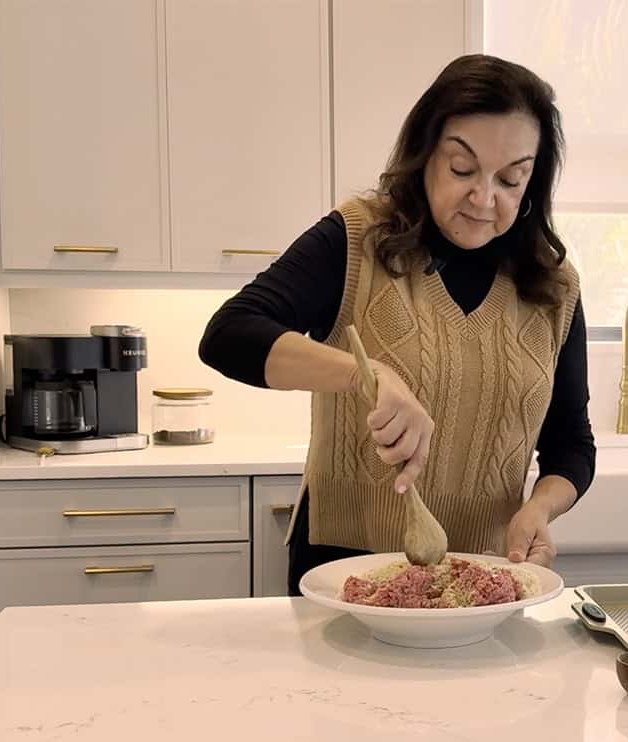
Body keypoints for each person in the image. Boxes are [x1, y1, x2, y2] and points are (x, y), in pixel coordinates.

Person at [199, 54, 595, 595]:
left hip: (483, 579)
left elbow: (571, 445)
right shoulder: (358, 239)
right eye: (462, 169)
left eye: (511, 178)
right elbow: (229, 335)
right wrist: (369, 374)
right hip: (343, 567)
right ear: (425, 154)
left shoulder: (554, 287)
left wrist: (540, 507)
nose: (485, 198)